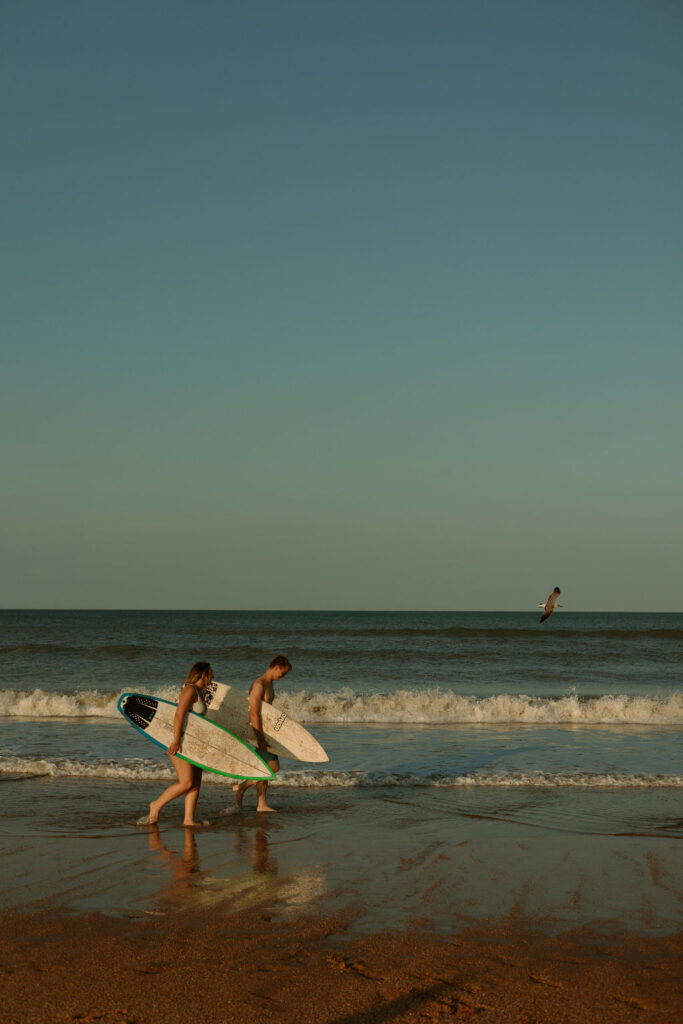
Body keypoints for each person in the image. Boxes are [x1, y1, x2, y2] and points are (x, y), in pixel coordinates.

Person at [145, 661, 213, 827]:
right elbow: (178, 715)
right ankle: (156, 805)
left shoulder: (199, 691)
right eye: (211, 673)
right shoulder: (189, 689)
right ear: (204, 674)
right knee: (186, 782)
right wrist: (176, 741)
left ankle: (188, 819)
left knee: (196, 783)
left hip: (193, 743)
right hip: (180, 740)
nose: (213, 677)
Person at [232, 656, 292, 813]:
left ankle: (261, 803)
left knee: (265, 767)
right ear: (276, 667)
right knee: (272, 768)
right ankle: (241, 788)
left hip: (267, 732)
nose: (283, 677)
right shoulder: (259, 685)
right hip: (259, 732)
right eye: (282, 673)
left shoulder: (269, 683)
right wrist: (260, 738)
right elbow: (253, 713)